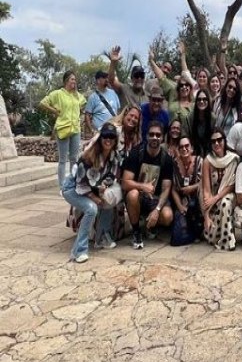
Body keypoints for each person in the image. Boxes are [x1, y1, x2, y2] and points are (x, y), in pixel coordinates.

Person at [62, 123, 121, 262]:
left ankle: (101, 237)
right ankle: (79, 250)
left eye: (112, 137)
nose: (108, 140)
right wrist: (96, 197)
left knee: (109, 199)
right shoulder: (88, 157)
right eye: (105, 136)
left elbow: (111, 176)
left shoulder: (114, 156)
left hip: (91, 187)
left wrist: (104, 189)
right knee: (92, 208)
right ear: (100, 138)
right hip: (72, 188)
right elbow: (81, 184)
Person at [122, 121, 174, 249]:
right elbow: (125, 182)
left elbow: (166, 188)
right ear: (146, 136)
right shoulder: (136, 153)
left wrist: (157, 210)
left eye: (158, 135)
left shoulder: (166, 159)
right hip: (139, 196)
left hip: (154, 199)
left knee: (167, 216)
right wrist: (143, 187)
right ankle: (136, 231)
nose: (154, 137)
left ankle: (150, 225)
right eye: (151, 134)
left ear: (162, 138)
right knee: (133, 194)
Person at [39, 70, 87, 188]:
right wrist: (54, 111)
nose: (74, 82)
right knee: (62, 159)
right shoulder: (58, 94)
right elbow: (43, 103)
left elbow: (83, 104)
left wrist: (79, 113)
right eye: (72, 79)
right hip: (63, 129)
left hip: (75, 129)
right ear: (66, 81)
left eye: (75, 80)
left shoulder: (77, 95)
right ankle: (62, 186)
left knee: (74, 158)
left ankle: (73, 183)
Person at [201, 128, 239, 250]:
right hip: (213, 203)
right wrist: (206, 216)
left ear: (224, 141)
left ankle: (228, 242)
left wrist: (216, 198)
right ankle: (222, 235)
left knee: (225, 202)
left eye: (219, 140)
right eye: (213, 141)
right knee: (211, 237)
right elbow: (206, 191)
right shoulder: (208, 161)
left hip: (229, 196)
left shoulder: (233, 159)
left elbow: (231, 185)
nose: (216, 143)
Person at [171, 136, 203, 241]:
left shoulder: (199, 161)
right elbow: (174, 189)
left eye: (186, 146)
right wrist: (180, 206)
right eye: (181, 147)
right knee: (176, 238)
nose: (184, 149)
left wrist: (192, 188)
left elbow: (205, 183)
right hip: (182, 202)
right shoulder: (175, 164)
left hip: (198, 202)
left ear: (192, 148)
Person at [187, 89, 215, 158]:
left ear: (208, 101)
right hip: (193, 151)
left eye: (204, 99)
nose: (201, 101)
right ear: (196, 102)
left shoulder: (213, 118)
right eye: (199, 99)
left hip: (208, 152)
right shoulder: (190, 117)